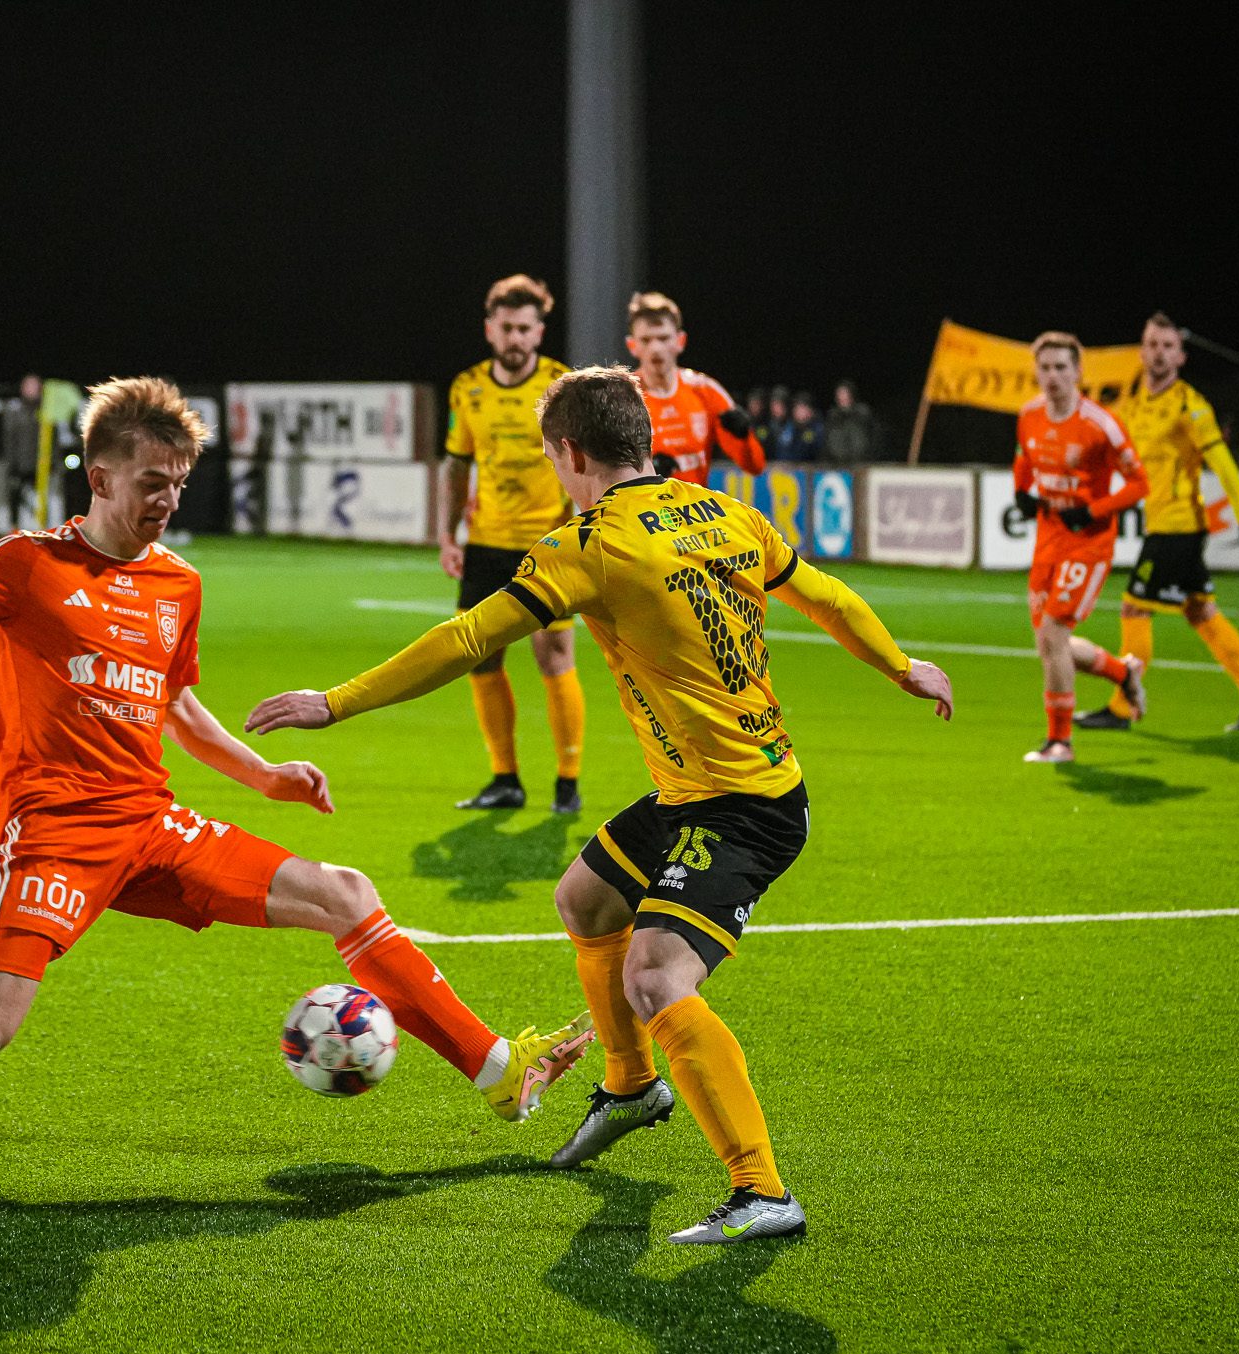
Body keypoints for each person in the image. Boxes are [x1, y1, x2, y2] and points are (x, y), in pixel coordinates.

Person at [0, 377, 593, 1150]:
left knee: (347, 892)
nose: (169, 499)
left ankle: (497, 1069)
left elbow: (173, 704)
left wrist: (264, 776)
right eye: (152, 482)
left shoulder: (179, 583)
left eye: (178, 481)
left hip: (151, 824)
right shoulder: (27, 565)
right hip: (56, 836)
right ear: (101, 477)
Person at [248, 365, 955, 1244]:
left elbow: (468, 636)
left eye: (553, 457)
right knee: (585, 899)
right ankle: (631, 1085)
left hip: (741, 809)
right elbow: (827, 595)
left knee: (654, 976)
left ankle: (762, 1189)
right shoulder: (726, 511)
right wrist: (900, 666)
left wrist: (336, 702)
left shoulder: (589, 543)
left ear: (571, 453)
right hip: (707, 788)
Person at [1078, 314, 1239, 732]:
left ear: (1181, 357)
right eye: (1152, 344)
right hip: (1161, 525)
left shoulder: (1190, 404)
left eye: (1168, 346)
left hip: (1179, 528)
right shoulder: (1135, 406)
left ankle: (1121, 707)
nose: (1159, 353)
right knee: (1201, 612)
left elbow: (1221, 462)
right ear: (1142, 351)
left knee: (1134, 608)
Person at [441, 275, 585, 815]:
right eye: (507, 328)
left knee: (554, 658)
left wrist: (581, 529)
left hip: (547, 544)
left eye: (525, 328)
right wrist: (447, 534)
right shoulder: (467, 388)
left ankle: (567, 784)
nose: (516, 338)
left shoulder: (561, 386)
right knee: (480, 658)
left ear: (540, 331)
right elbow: (457, 464)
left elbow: (583, 462)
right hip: (485, 543)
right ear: (489, 329)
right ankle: (505, 778)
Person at [1012, 333, 1150, 762]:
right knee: (1049, 644)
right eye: (1045, 368)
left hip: (1089, 543)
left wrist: (1093, 511)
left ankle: (1060, 742)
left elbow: (1139, 484)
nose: (1052, 376)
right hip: (1048, 539)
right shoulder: (1029, 415)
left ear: (1078, 372)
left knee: (1054, 633)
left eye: (1061, 367)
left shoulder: (1100, 424)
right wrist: (1021, 491)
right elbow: (1024, 457)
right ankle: (1123, 672)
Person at [623, 292, 766, 485]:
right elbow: (601, 474)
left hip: (696, 504)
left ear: (680, 341)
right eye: (646, 340)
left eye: (663, 338)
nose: (656, 348)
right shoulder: (623, 397)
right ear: (632, 345)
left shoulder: (706, 391)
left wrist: (743, 437)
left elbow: (755, 466)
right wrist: (644, 473)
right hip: (642, 504)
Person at [0, 373, 44, 530]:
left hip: (39, 464)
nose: (31, 389)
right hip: (16, 464)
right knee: (14, 496)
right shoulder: (11, 410)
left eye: (34, 386)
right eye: (28, 385)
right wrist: (6, 459)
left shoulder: (45, 411)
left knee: (40, 499)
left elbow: (54, 440)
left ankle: (42, 528)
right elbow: (2, 436)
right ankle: (14, 528)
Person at [822, 380, 881, 464]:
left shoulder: (863, 413)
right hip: (837, 464)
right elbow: (827, 440)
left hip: (862, 463)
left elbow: (875, 436)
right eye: (839, 394)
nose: (842, 397)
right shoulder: (832, 416)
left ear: (852, 395)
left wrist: (871, 457)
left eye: (845, 393)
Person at [775, 392, 824, 463]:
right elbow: (782, 450)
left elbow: (816, 452)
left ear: (810, 411)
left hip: (811, 467)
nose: (799, 412)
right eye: (797, 408)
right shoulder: (789, 427)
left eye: (803, 408)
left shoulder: (817, 428)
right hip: (789, 467)